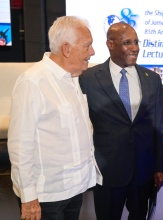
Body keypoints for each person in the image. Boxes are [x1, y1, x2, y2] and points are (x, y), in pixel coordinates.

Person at [7, 16, 102, 220]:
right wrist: (29, 197)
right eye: (88, 46)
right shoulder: (33, 82)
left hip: (74, 190)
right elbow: (20, 147)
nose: (92, 52)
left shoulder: (74, 78)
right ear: (67, 49)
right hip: (45, 196)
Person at [79, 22, 163, 220]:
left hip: (144, 171)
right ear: (110, 44)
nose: (135, 47)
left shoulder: (152, 79)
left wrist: (161, 166)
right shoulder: (88, 79)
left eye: (136, 42)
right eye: (127, 42)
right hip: (107, 171)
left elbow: (159, 126)